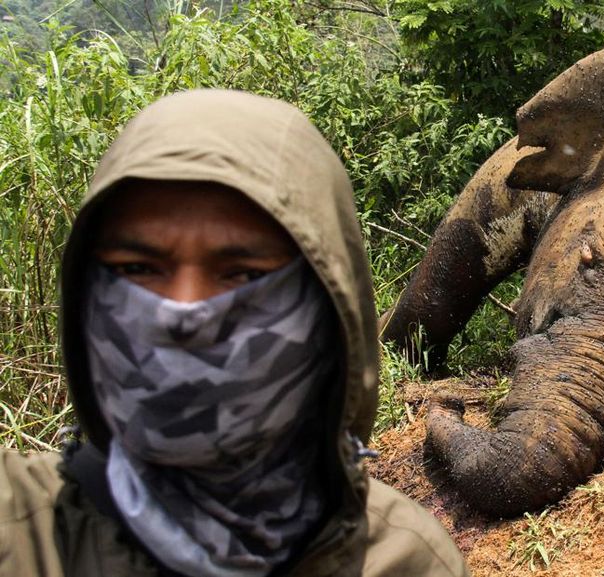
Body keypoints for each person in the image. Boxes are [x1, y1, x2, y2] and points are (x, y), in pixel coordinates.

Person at [0, 90, 469, 577]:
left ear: (326, 313)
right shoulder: (18, 531)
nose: (181, 313)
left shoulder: (408, 563)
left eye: (242, 274)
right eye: (138, 268)